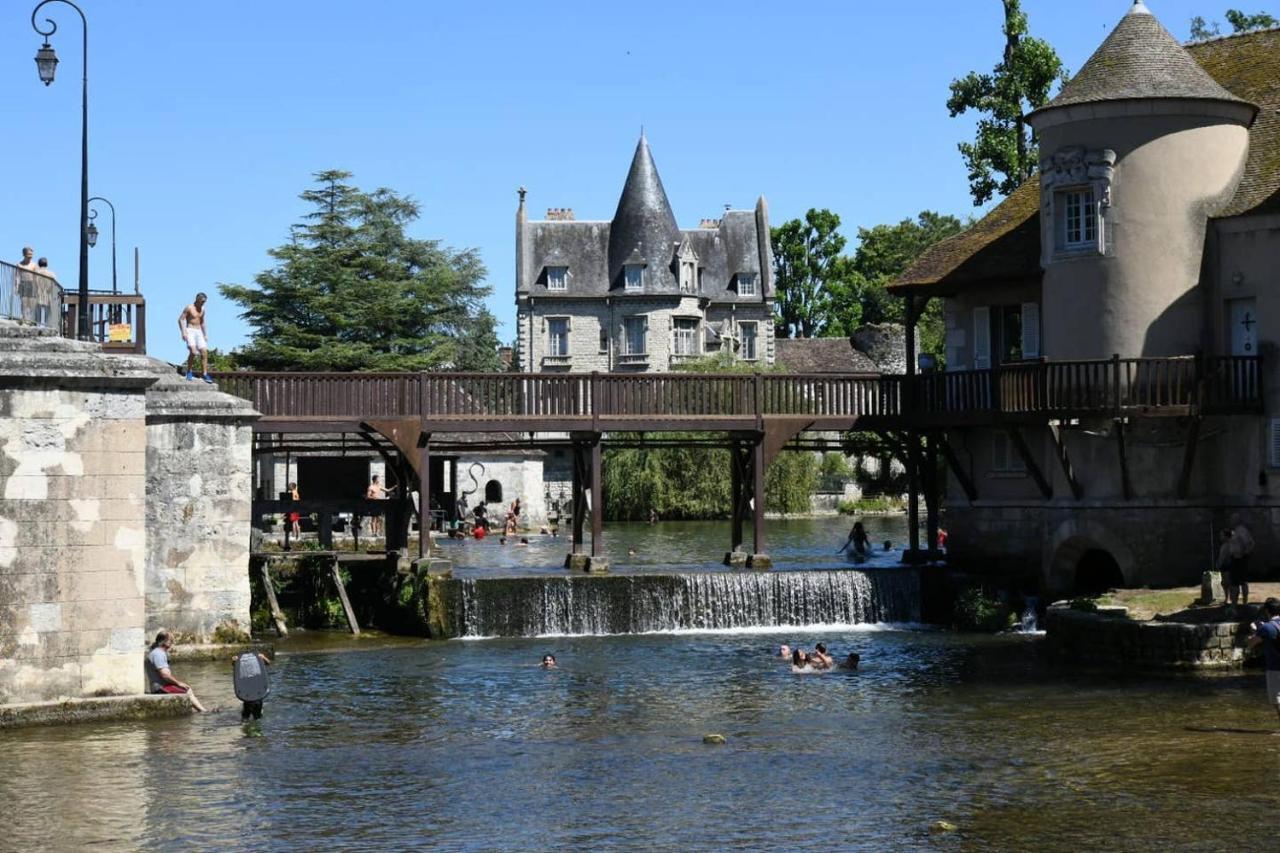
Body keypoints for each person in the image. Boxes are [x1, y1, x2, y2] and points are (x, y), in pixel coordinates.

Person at [144, 631, 207, 712]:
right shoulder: (158, 654)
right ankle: (203, 711)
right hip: (161, 688)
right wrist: (178, 683)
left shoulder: (158, 653)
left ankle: (199, 710)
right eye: (170, 640)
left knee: (186, 689)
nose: (172, 642)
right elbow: (165, 675)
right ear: (164, 641)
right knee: (187, 690)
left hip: (162, 686)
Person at [1247, 598, 1280, 725]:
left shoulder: (1266, 628)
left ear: (1267, 611)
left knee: (1277, 700)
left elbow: (1250, 644)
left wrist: (1254, 630)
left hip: (1275, 668)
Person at [178, 292, 212, 383]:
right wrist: (183, 332)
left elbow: (202, 322)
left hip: (199, 331)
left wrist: (205, 334)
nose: (203, 303)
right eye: (202, 301)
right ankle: (189, 371)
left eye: (204, 301)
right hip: (190, 330)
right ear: (197, 299)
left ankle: (204, 374)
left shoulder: (203, 309)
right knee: (193, 352)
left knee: (204, 352)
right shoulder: (189, 307)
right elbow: (181, 319)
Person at [232, 651, 271, 721]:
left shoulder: (258, 666)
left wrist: (263, 657)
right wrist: (235, 661)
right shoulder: (243, 669)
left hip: (257, 696)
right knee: (246, 718)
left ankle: (252, 724)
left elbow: (268, 663)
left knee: (257, 718)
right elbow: (235, 668)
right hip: (248, 696)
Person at [1231, 515, 1255, 605]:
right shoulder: (1236, 530)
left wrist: (1244, 554)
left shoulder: (1241, 530)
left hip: (1240, 559)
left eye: (1232, 518)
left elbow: (1250, 543)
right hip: (1236, 558)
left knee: (1241, 582)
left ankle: (1243, 602)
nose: (1231, 520)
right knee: (1235, 582)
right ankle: (1235, 603)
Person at [1217, 528, 1235, 605]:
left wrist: (1219, 563)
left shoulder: (1230, 545)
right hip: (1225, 566)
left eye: (1222, 535)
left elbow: (1223, 557)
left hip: (1228, 566)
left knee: (1229, 583)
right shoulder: (1225, 545)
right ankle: (1227, 598)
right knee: (1224, 583)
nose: (1220, 537)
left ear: (1226, 536)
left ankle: (1231, 599)